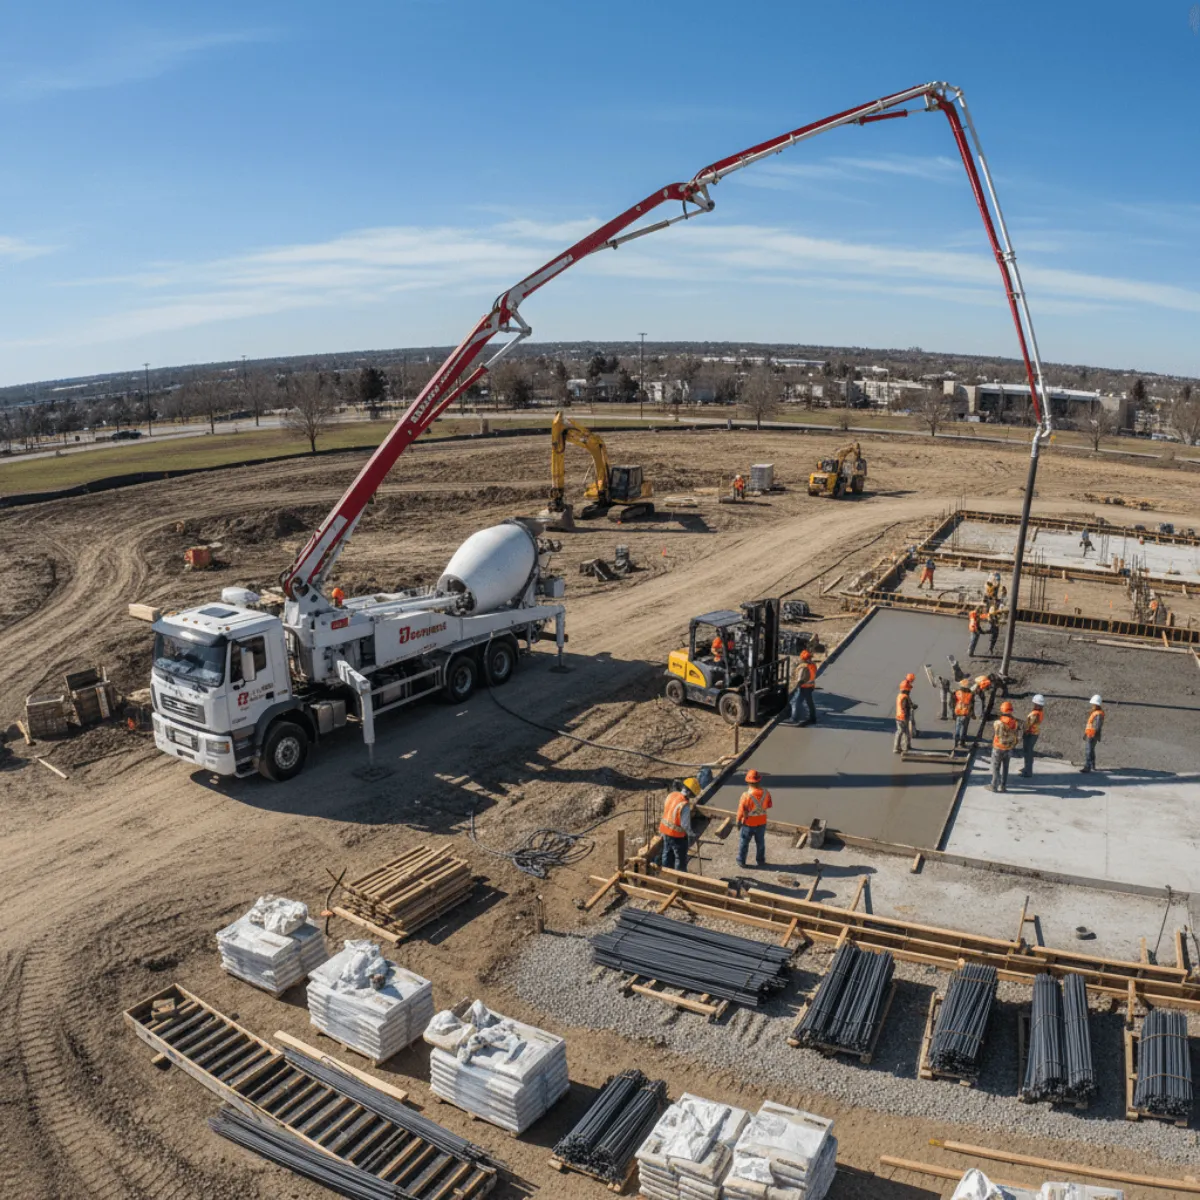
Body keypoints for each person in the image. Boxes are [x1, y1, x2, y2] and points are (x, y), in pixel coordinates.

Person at [659, 778, 701, 872]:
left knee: (667, 852)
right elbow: (685, 825)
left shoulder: (672, 795)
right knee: (680, 857)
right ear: (689, 793)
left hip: (665, 830)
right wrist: (692, 834)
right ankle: (680, 875)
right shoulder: (684, 804)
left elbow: (667, 809)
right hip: (677, 835)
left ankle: (666, 872)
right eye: (692, 795)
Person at [735, 768, 772, 868]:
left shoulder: (746, 795)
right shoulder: (766, 793)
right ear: (759, 780)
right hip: (762, 822)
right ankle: (760, 860)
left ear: (748, 782)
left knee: (744, 842)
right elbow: (769, 805)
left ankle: (741, 861)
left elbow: (741, 811)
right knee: (760, 842)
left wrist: (738, 821)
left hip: (748, 823)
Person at [990, 700, 1020, 792]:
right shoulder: (1015, 722)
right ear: (1011, 710)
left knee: (996, 767)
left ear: (1002, 710)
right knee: (1005, 767)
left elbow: (996, 731)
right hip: (1009, 748)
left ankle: (994, 786)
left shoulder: (998, 722)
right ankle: (1003, 786)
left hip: (998, 747)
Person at [785, 649, 818, 726]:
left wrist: (796, 686)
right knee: (809, 703)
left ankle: (794, 718)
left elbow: (800, 679)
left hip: (803, 687)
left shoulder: (803, 667)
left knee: (795, 702)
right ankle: (812, 718)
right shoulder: (813, 665)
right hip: (810, 686)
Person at [1020, 695, 1045, 777]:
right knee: (1028, 752)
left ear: (1037, 704)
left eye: (1035, 703)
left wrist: (1023, 729)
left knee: (1028, 753)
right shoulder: (1040, 712)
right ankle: (1027, 768)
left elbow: (1028, 725)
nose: (1034, 705)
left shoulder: (1035, 714)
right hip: (1034, 734)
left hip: (1030, 734)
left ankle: (1028, 772)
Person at [1082, 694, 1104, 773]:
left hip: (1091, 735)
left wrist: (1093, 735)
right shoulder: (1097, 713)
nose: (1092, 706)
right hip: (1090, 734)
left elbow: (1097, 726)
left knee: (1088, 750)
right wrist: (1086, 734)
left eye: (1093, 704)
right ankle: (1092, 765)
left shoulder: (1098, 714)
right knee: (1091, 750)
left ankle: (1087, 766)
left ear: (1096, 705)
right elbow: (1091, 725)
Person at [893, 678, 915, 754]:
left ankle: (896, 747)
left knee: (899, 732)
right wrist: (913, 706)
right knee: (906, 732)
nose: (910, 691)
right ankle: (905, 747)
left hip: (898, 717)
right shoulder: (905, 697)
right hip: (904, 717)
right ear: (906, 690)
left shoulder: (899, 696)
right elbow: (908, 706)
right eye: (909, 690)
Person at [953, 678, 975, 748]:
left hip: (958, 711)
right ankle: (962, 743)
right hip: (966, 713)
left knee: (957, 727)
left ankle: (956, 742)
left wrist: (953, 712)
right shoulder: (970, 694)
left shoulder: (957, 692)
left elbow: (953, 702)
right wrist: (972, 714)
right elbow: (972, 705)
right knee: (963, 728)